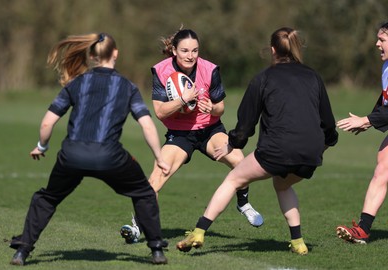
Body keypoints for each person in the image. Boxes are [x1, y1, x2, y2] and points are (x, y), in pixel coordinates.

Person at [8, 33, 171, 265]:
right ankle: (156, 250)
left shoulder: (76, 83)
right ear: (115, 53)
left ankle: (22, 251)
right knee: (144, 193)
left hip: (71, 155)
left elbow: (47, 122)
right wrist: (159, 157)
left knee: (47, 198)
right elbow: (147, 125)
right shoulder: (127, 87)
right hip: (110, 157)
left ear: (92, 56)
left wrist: (41, 146)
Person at [176, 27, 339, 255]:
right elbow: (329, 124)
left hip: (276, 150)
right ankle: (298, 242)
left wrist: (232, 144)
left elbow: (245, 124)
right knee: (282, 184)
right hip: (310, 154)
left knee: (233, 179)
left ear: (273, 50)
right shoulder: (313, 76)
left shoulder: (263, 78)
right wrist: (322, 146)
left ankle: (199, 231)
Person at [120, 28, 263, 244]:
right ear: (174, 51)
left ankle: (243, 203)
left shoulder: (209, 69)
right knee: (155, 180)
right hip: (179, 134)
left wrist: (211, 108)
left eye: (195, 50)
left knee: (240, 162)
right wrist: (183, 99)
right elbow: (159, 112)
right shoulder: (161, 70)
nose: (190, 55)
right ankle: (138, 226)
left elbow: (221, 108)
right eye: (185, 50)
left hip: (210, 130)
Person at [336, 21, 388, 244]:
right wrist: (368, 121)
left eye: (382, 39)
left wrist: (366, 120)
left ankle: (364, 229)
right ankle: (364, 229)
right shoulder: (386, 66)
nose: (377, 44)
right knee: (382, 166)